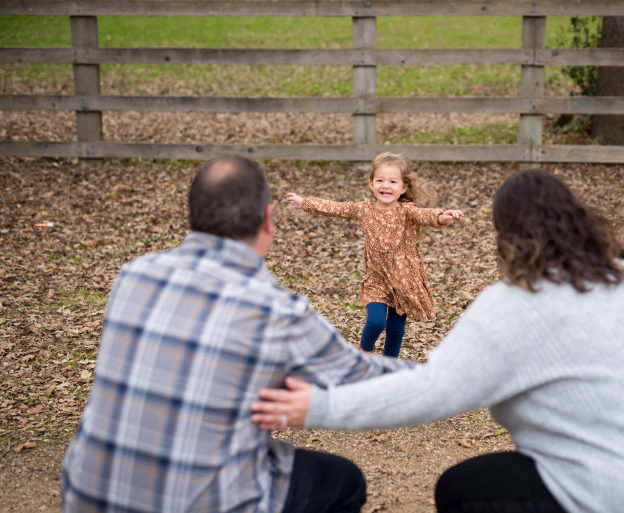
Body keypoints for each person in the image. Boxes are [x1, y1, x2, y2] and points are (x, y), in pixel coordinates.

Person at [252, 169, 624, 513]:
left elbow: (431, 391)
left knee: (463, 488)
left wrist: (317, 406)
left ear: (506, 236)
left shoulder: (513, 306)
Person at [60, 155, 415, 513]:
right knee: (344, 480)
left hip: (87, 495)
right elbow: (366, 380)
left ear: (194, 213)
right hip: (204, 501)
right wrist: (452, 373)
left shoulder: (132, 276)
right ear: (268, 220)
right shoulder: (275, 310)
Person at [285, 152, 464, 358]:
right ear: (371, 184)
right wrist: (305, 202)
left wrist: (442, 217)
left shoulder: (406, 211)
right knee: (376, 322)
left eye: (393, 181)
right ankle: (364, 352)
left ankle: (390, 365)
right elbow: (336, 208)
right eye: (380, 180)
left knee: (395, 329)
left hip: (404, 279)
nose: (385, 186)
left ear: (403, 188)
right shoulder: (364, 209)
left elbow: (426, 215)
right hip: (376, 279)